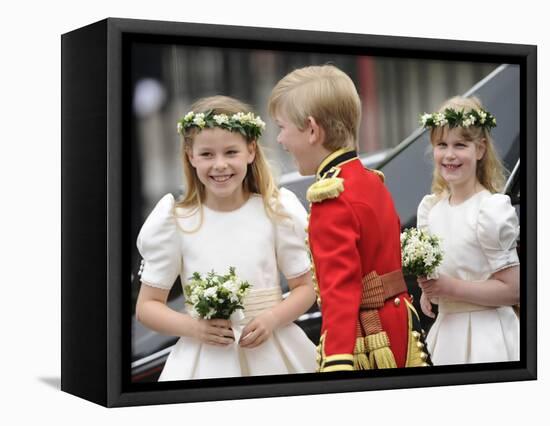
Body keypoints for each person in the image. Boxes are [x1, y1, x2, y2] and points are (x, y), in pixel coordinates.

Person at [135, 95, 317, 381]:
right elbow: (147, 307)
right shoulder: (176, 221)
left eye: (231, 152)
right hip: (204, 360)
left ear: (251, 151)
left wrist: (272, 319)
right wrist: (195, 327)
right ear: (190, 156)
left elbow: (305, 288)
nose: (219, 165)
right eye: (207, 154)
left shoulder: (275, 211)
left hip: (274, 350)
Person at [268, 64, 431, 372]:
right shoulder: (369, 179)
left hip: (368, 341)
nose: (280, 140)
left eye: (282, 127)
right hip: (398, 324)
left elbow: (340, 293)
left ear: (312, 130)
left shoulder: (332, 196)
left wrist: (337, 361)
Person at [417, 96, 520, 365]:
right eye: (442, 145)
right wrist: (428, 293)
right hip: (446, 334)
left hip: (487, 336)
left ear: (480, 149)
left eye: (460, 145)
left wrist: (450, 288)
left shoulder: (490, 211)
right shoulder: (432, 210)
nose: (449, 154)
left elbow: (513, 290)